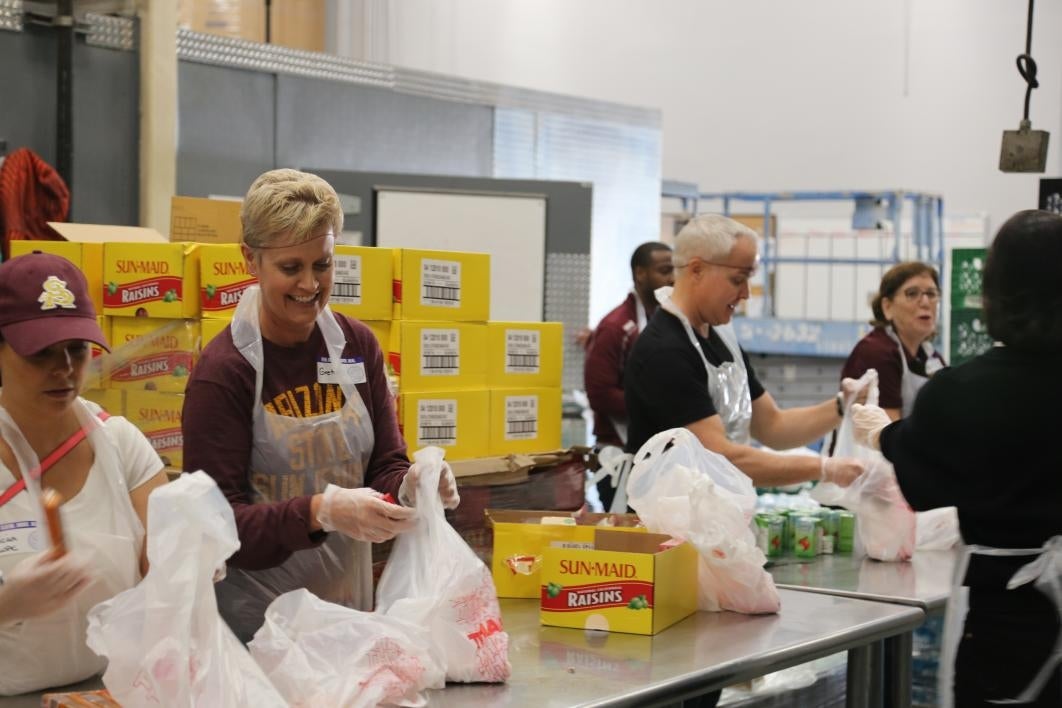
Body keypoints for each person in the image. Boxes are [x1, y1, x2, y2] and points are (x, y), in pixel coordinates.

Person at [182, 168, 460, 642]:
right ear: (250, 258)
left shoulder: (357, 346)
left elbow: (383, 467)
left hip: (348, 621)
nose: (310, 284)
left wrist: (412, 485)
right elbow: (216, 529)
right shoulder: (225, 372)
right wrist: (320, 512)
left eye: (323, 264)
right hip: (256, 636)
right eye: (291, 267)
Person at [853, 209, 1061, 708]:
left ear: (992, 294)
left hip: (1006, 614)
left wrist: (886, 437)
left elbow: (925, 485)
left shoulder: (962, 391)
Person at [0, 252, 167, 695]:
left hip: (110, 693)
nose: (66, 369)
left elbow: (161, 566)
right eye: (41, 353)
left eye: (77, 349)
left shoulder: (120, 444)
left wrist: (189, 558)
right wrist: (6, 605)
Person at [625, 214, 865, 488]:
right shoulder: (665, 351)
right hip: (664, 522)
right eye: (738, 279)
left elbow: (773, 426)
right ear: (696, 270)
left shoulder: (719, 337)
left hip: (712, 513)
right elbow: (720, 458)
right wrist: (825, 467)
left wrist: (843, 405)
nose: (746, 294)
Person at [584, 241, 673, 509]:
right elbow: (599, 394)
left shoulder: (663, 323)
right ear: (640, 274)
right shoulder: (616, 328)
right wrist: (656, 410)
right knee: (626, 543)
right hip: (618, 458)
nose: (672, 279)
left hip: (652, 456)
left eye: (674, 270)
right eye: (664, 270)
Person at [841, 261, 946, 420]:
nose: (925, 302)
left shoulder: (931, 357)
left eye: (931, 294)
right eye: (912, 293)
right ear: (887, 307)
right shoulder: (877, 353)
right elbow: (887, 435)